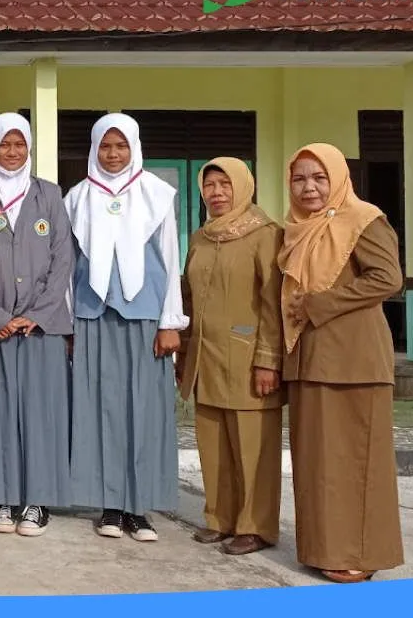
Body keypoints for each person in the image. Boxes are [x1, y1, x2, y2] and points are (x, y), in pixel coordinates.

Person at [277, 143, 404, 583]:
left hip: (354, 359)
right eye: (299, 179)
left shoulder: (363, 220)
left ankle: (361, 552)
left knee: (357, 462)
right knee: (318, 464)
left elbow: (388, 278)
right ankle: (323, 548)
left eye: (319, 177)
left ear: (337, 178)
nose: (309, 187)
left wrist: (321, 304)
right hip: (309, 357)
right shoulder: (298, 229)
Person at [65, 113, 187, 542]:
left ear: (134, 148)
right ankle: (109, 507)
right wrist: (68, 326)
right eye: (105, 146)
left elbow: (170, 259)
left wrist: (171, 321)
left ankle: (140, 508)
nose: (113, 154)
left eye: (121, 146)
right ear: (94, 148)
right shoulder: (77, 197)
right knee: (98, 411)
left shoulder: (156, 194)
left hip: (145, 318)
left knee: (145, 411)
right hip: (91, 316)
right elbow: (69, 266)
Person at [0, 113, 75, 537]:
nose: (12, 153)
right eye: (4, 145)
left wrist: (37, 314)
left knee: (42, 414)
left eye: (19, 144)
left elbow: (63, 259)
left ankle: (37, 501)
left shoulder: (49, 194)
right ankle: (3, 498)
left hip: (43, 327)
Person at [177, 158, 285, 556]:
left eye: (225, 184)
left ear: (244, 187)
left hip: (247, 358)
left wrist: (268, 360)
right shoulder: (200, 237)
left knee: (253, 448)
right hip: (206, 357)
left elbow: (274, 303)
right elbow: (188, 297)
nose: (217, 192)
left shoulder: (265, 234)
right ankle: (219, 519)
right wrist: (185, 352)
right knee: (213, 443)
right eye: (209, 185)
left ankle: (255, 527)